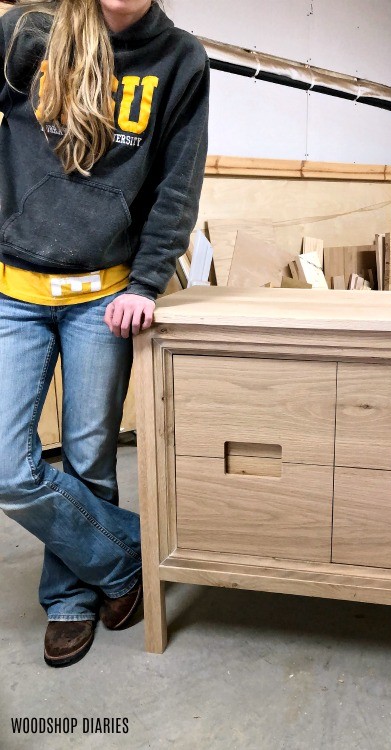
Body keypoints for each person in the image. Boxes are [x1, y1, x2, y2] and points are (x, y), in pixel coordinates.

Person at [0, 0, 210, 667]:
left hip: (105, 297)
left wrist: (146, 283)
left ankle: (69, 599)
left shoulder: (180, 59)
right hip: (14, 289)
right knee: (8, 467)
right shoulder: (26, 32)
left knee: (90, 459)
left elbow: (178, 181)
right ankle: (129, 561)